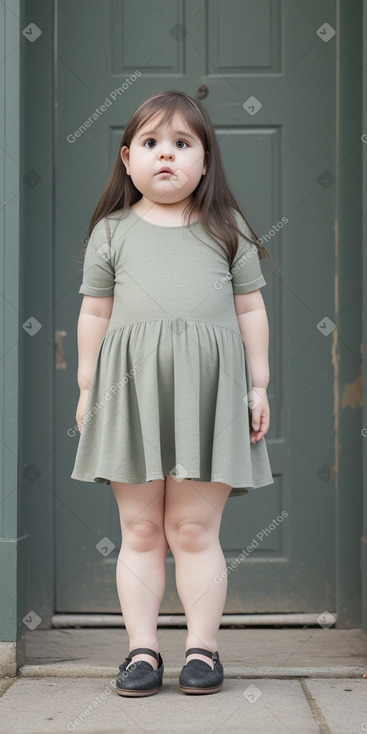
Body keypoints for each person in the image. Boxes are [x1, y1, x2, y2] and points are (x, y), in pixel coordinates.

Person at [71, 90, 275, 697]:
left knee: (192, 529)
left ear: (205, 162)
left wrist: (259, 384)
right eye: (152, 144)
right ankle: (140, 651)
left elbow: (251, 308)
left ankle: (202, 651)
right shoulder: (111, 232)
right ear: (127, 159)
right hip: (129, 399)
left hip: (207, 400)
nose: (167, 156)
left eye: (183, 144)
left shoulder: (226, 228)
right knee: (140, 530)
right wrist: (87, 386)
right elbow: (95, 313)